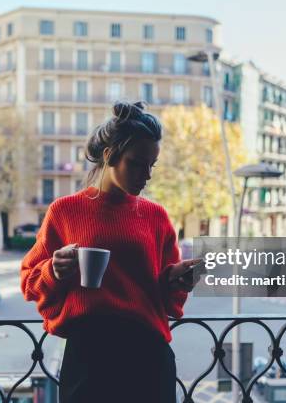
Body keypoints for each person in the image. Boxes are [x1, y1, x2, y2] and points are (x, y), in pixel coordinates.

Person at [20, 101, 202, 403]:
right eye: (137, 163)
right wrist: (54, 269)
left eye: (151, 165)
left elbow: (166, 298)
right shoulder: (64, 210)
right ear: (110, 156)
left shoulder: (156, 216)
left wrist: (177, 278)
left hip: (147, 355)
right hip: (90, 356)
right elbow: (29, 282)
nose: (147, 175)